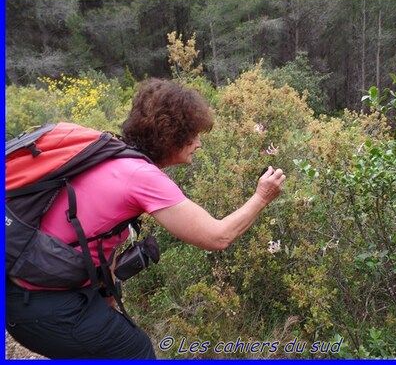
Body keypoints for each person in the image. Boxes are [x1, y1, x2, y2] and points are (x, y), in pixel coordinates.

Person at [6, 78, 286, 359]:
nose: (199, 143)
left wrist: (109, 299)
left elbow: (99, 237)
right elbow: (218, 236)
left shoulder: (109, 152)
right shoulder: (141, 177)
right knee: (136, 351)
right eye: (194, 134)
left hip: (29, 290)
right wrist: (262, 197)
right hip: (43, 305)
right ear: (172, 135)